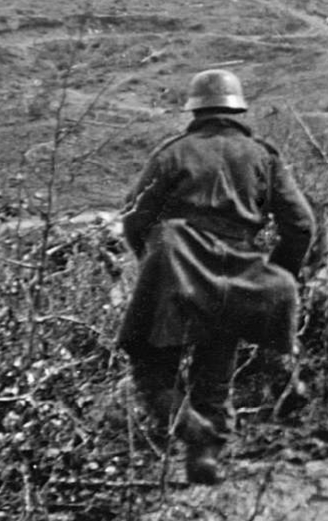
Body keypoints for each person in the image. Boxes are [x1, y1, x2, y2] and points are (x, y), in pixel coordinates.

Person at [118, 69, 316, 485]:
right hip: (236, 272)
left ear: (196, 110)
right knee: (215, 366)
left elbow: (135, 217)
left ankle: (194, 436)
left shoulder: (171, 153)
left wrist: (153, 264)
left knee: (151, 368)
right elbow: (301, 226)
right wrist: (274, 273)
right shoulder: (264, 156)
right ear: (237, 109)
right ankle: (207, 451)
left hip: (175, 267)